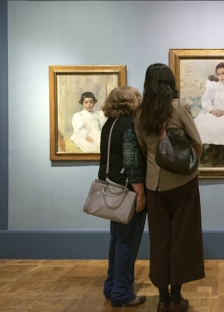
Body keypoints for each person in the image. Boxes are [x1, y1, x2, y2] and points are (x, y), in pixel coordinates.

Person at [135, 63, 205, 312]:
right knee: (183, 238)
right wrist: (185, 161)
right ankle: (177, 298)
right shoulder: (178, 106)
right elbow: (197, 143)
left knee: (160, 239)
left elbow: (144, 148)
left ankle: (162, 299)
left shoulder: (141, 112)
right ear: (169, 82)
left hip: (154, 183)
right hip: (182, 182)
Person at [98, 86, 147, 308]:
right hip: (128, 190)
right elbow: (132, 161)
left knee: (116, 239)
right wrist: (140, 192)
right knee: (128, 241)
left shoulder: (109, 125)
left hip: (110, 187)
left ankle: (111, 287)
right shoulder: (129, 126)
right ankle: (122, 293)